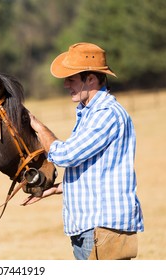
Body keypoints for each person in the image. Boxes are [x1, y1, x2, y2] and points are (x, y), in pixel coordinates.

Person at [24, 42, 144, 260]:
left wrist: (36, 125)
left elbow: (66, 156)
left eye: (71, 79)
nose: (66, 85)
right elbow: (96, 172)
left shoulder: (106, 114)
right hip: (93, 229)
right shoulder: (90, 113)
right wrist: (57, 189)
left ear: (91, 79)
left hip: (102, 229)